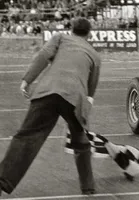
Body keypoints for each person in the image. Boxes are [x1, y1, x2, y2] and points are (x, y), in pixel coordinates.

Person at [0, 17, 101, 195]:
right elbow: (90, 92)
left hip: (47, 91)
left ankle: (2, 181)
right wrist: (83, 116)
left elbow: (43, 56)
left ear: (71, 29)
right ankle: (88, 187)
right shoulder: (94, 55)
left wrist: (27, 80)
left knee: (26, 137)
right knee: (81, 143)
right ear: (89, 33)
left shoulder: (60, 38)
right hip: (74, 99)